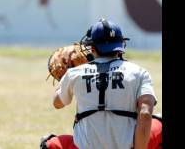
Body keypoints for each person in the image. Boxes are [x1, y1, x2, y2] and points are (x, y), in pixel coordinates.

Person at [40, 18, 162, 149]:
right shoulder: (139, 72)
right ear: (121, 46)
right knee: (159, 122)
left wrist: (65, 79)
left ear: (92, 48)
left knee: (48, 143)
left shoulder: (74, 74)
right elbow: (145, 112)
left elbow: (57, 103)